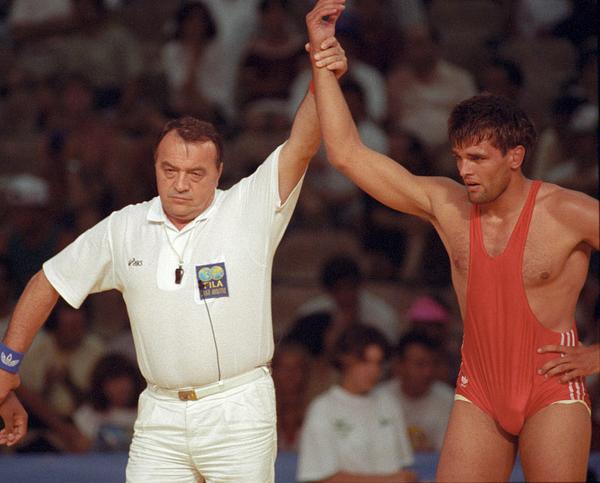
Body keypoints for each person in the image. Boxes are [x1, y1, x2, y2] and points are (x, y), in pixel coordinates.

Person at [0, 10, 348, 481]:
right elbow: (47, 281)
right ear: (155, 166)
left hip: (238, 409)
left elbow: (302, 143)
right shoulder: (124, 227)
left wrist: (321, 65)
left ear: (218, 173)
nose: (180, 184)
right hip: (159, 414)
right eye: (170, 170)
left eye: (195, 173)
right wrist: (8, 367)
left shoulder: (248, 207)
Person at [305, 1, 599, 480]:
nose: (464, 170)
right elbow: (347, 155)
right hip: (479, 389)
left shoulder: (570, 212)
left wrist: (597, 354)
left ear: (515, 156)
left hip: (551, 388)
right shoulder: (447, 205)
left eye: (478, 158)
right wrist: (321, 59)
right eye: (460, 157)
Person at [296, 324, 416, 483]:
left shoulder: (389, 402)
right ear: (344, 360)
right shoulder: (323, 409)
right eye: (365, 362)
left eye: (378, 363)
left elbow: (403, 467)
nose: (373, 370)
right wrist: (388, 480)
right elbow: (317, 478)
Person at [380, 330, 454, 452]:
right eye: (420, 364)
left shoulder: (448, 399)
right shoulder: (381, 397)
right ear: (399, 365)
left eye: (433, 364)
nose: (428, 372)